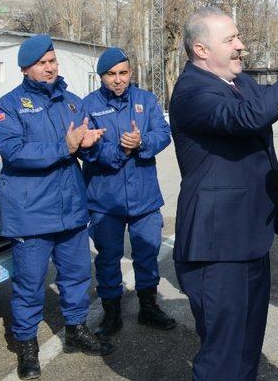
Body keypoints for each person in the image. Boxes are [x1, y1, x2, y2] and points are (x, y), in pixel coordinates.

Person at [169, 7, 278, 380]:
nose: (241, 46)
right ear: (201, 49)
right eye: (230, 40)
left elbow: (275, 101)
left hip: (248, 239)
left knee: (247, 348)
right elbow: (247, 117)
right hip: (216, 248)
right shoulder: (191, 92)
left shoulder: (238, 82)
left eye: (238, 38)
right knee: (222, 357)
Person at [0, 34, 111, 380]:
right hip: (31, 212)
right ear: (25, 68)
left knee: (76, 275)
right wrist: (67, 145)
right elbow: (14, 153)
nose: (49, 68)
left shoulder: (72, 102)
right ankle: (26, 345)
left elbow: (83, 150)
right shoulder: (8, 106)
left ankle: (76, 329)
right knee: (29, 285)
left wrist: (89, 145)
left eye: (53, 61)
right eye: (42, 63)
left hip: (70, 208)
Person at [81, 47, 175, 342]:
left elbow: (163, 134)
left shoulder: (146, 101)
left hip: (144, 197)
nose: (118, 80)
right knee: (108, 257)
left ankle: (148, 306)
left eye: (123, 73)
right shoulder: (89, 106)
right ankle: (112, 314)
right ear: (101, 77)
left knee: (147, 253)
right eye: (111, 74)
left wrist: (141, 141)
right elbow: (88, 150)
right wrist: (121, 149)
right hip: (104, 200)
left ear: (130, 73)